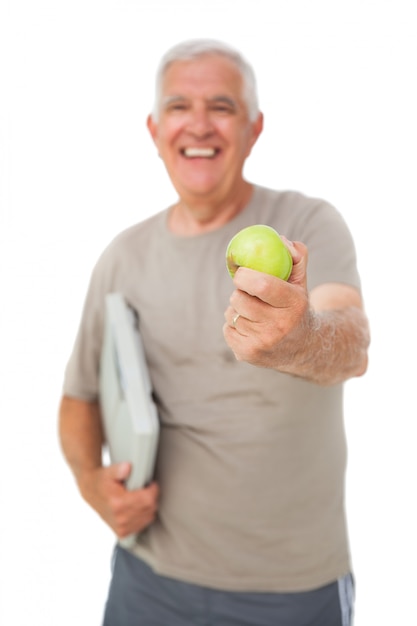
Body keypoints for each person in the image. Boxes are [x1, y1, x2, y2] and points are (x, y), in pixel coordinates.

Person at [58, 38, 370, 626]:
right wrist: (92, 486)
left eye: (222, 106)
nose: (199, 124)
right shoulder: (121, 257)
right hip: (146, 581)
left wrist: (301, 335)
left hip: (294, 591)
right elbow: (78, 400)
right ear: (154, 130)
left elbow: (351, 340)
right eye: (179, 106)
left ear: (254, 129)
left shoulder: (305, 225)